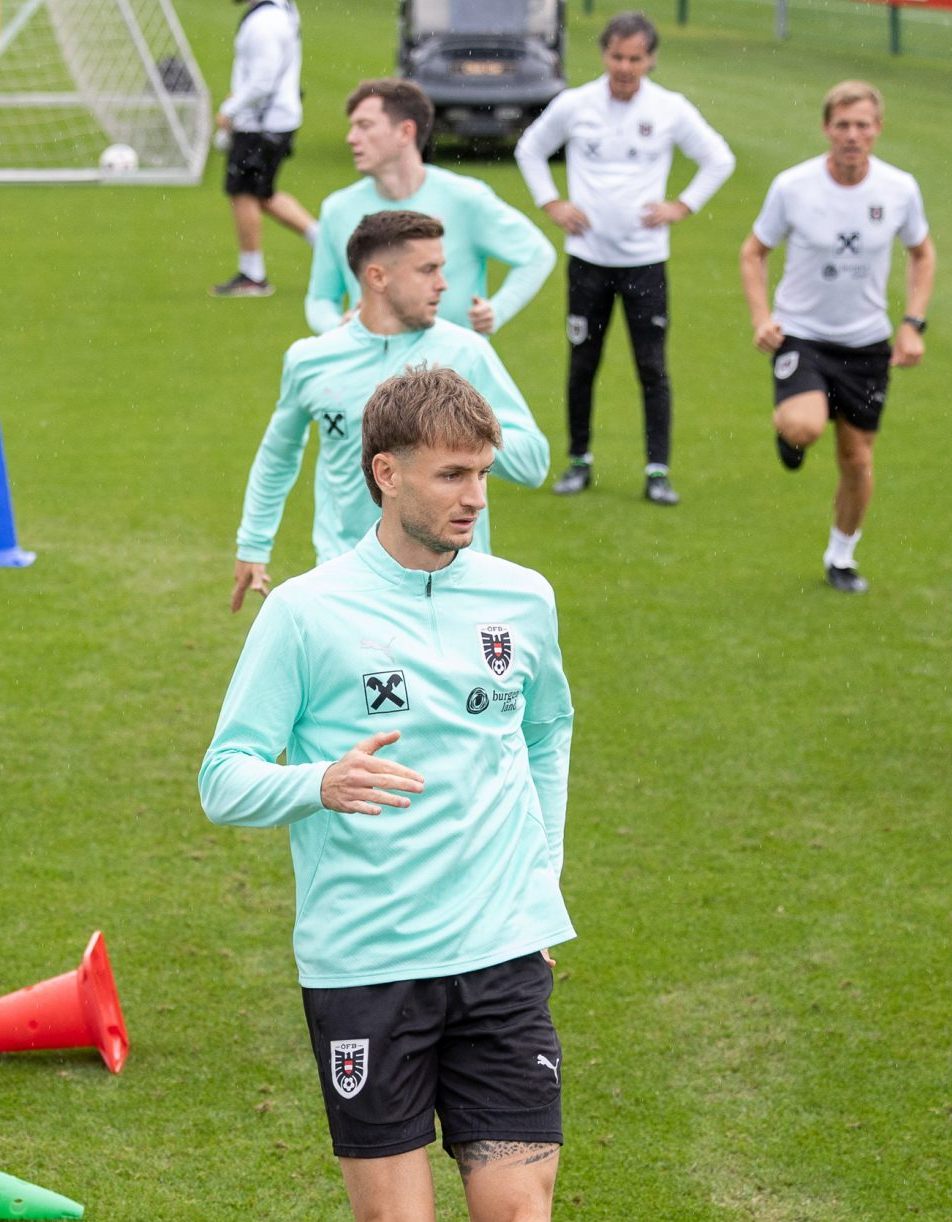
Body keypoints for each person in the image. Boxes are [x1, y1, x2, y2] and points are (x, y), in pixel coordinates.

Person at [201, 365, 575, 1221]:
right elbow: (224, 777)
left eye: (482, 472)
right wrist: (319, 782)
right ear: (386, 472)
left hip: (501, 952)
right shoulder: (306, 612)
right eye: (452, 474)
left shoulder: (523, 598)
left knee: (519, 1211)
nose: (475, 497)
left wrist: (541, 876)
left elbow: (548, 730)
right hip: (369, 965)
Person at [231, 210, 549, 612]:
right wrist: (253, 544)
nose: (443, 283)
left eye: (442, 268)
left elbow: (534, 463)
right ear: (378, 278)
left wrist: (453, 438)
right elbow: (279, 454)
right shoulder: (311, 360)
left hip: (448, 584)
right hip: (345, 584)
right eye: (427, 270)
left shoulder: (466, 353)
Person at [514, 10, 735, 506]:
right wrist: (551, 202)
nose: (625, 68)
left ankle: (657, 471)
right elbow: (530, 149)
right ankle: (578, 461)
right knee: (582, 364)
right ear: (603, 54)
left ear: (651, 60)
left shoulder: (670, 109)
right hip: (588, 260)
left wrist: (682, 206)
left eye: (635, 59)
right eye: (617, 56)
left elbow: (718, 158)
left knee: (652, 367)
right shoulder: (575, 105)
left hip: (645, 263)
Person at [739, 80, 935, 593]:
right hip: (802, 334)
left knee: (857, 460)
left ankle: (841, 557)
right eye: (843, 125)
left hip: (866, 343)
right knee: (804, 426)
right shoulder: (793, 187)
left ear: (878, 129)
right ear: (826, 128)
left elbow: (922, 253)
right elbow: (753, 251)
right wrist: (762, 318)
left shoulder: (899, 189)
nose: (852, 135)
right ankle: (791, 433)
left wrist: (912, 324)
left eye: (862, 125)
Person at [306, 78, 556, 336]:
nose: (351, 138)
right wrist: (337, 327)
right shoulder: (337, 210)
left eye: (364, 126)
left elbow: (536, 254)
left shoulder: (465, 198)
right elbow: (321, 297)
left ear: (405, 132)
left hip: (451, 360)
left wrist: (497, 311)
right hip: (371, 359)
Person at [211, 0, 317, 298]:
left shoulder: (264, 23)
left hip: (261, 124)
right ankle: (328, 243)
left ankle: (252, 276)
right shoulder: (281, 10)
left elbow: (262, 82)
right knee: (262, 193)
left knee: (243, 193)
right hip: (274, 119)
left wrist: (230, 110)